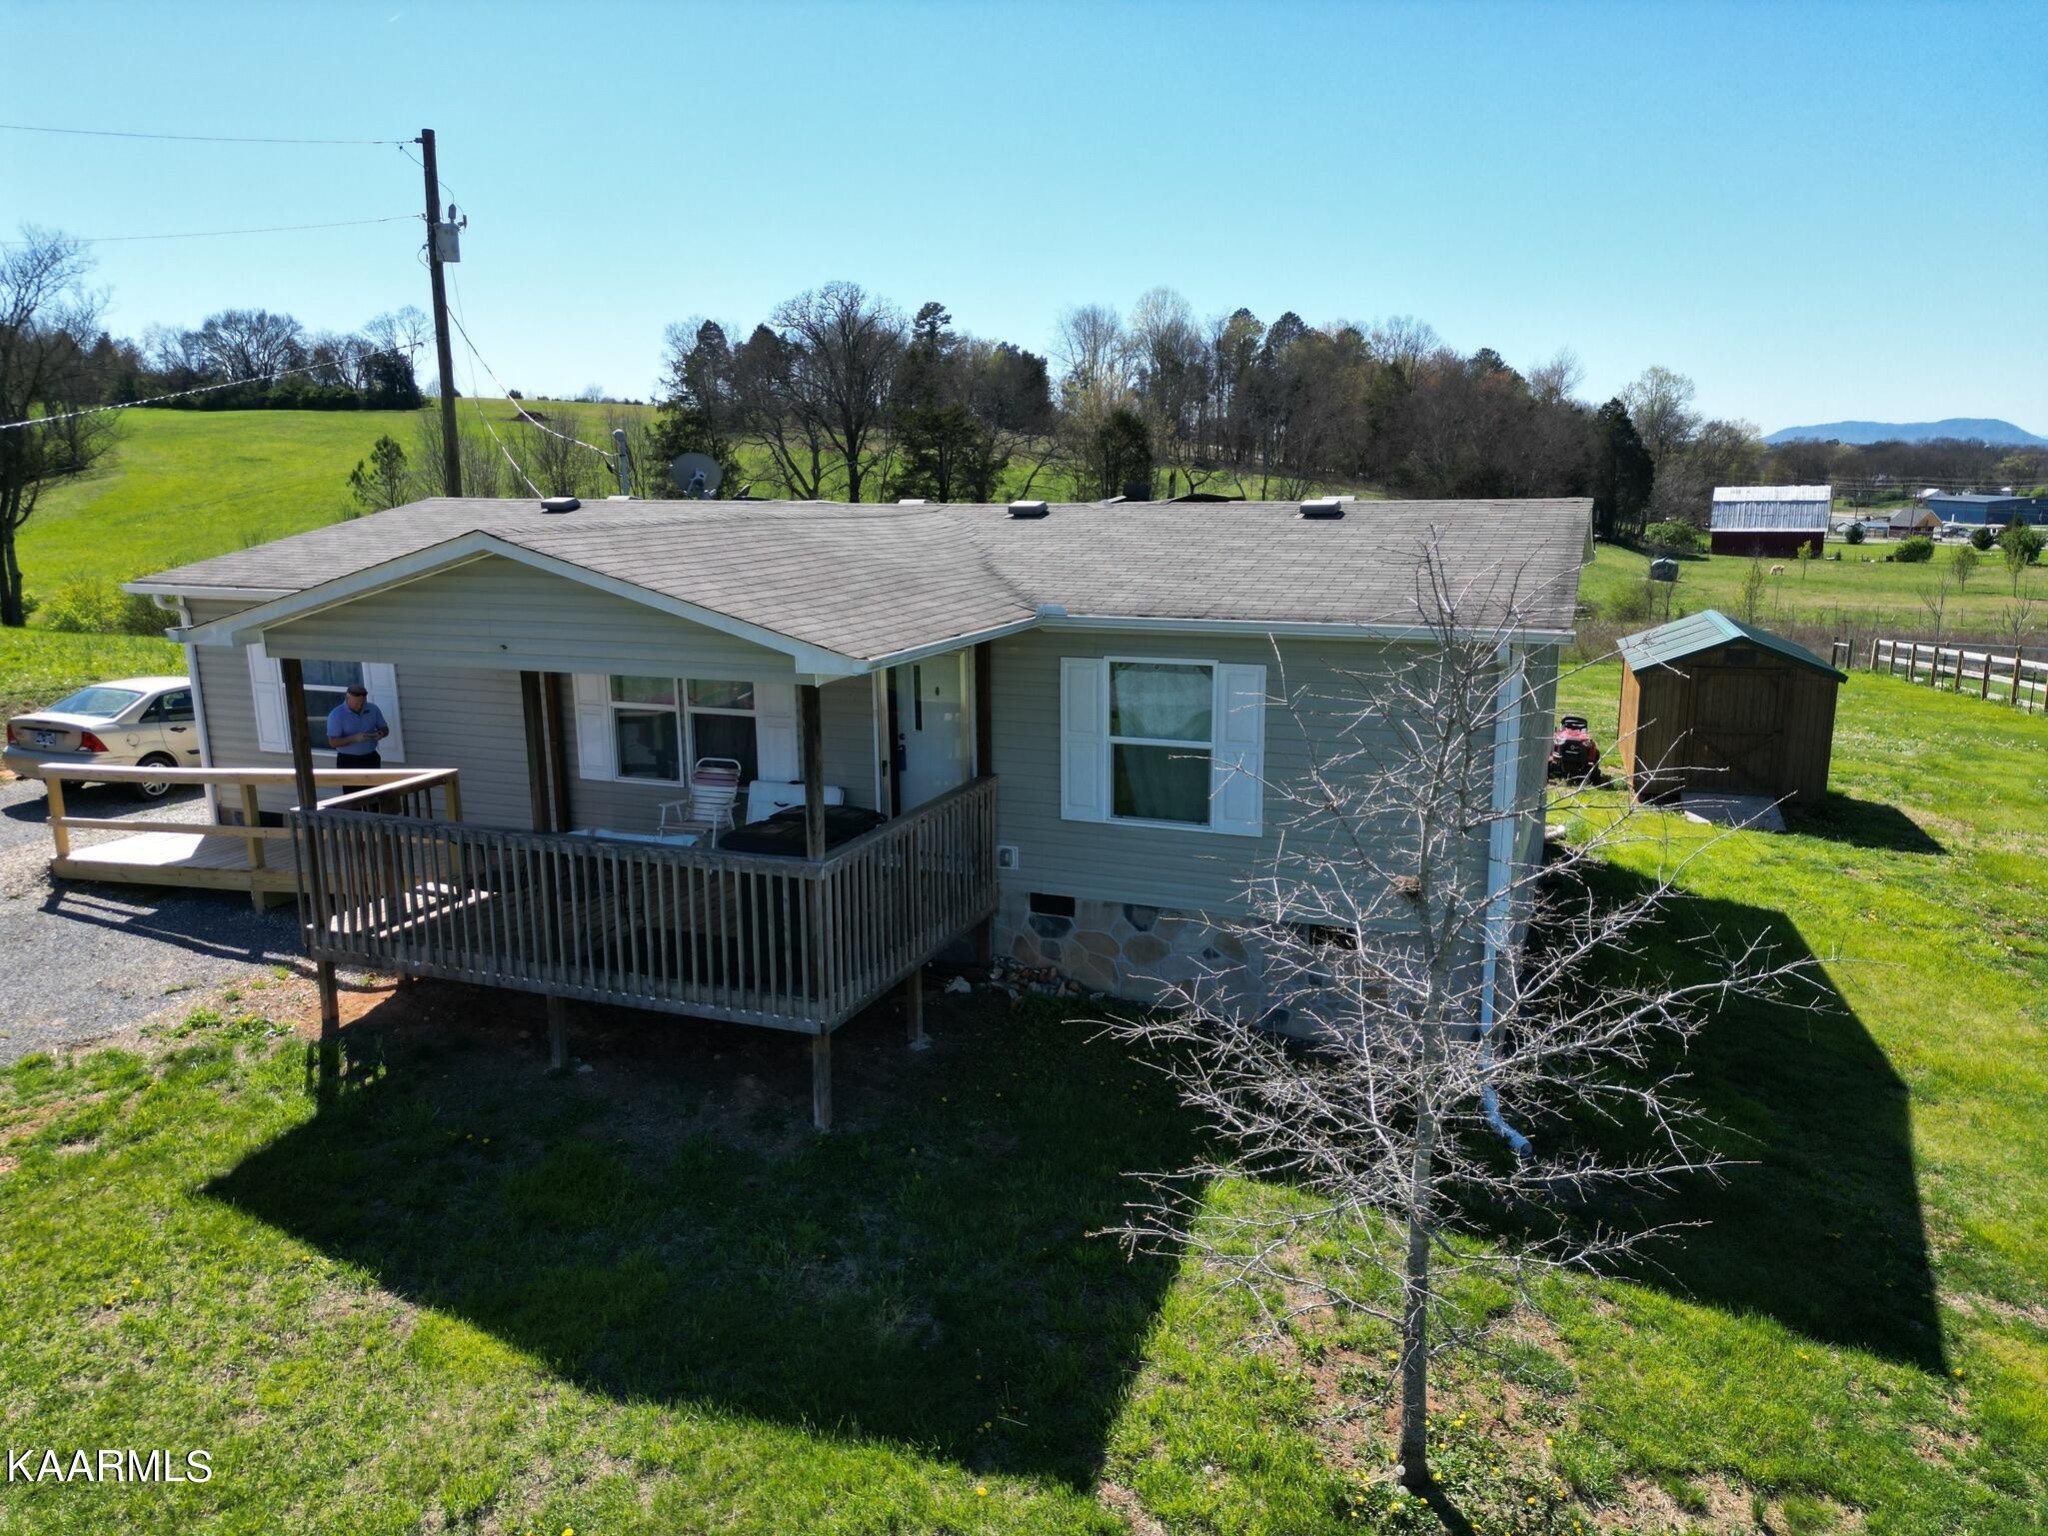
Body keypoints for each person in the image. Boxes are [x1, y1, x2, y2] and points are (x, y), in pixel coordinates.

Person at [326, 683, 390, 769]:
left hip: (371, 757)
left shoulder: (373, 709)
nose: (360, 706)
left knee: (375, 783)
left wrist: (381, 733)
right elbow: (333, 742)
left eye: (363, 703)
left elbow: (385, 728)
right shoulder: (336, 715)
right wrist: (354, 738)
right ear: (347, 698)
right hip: (348, 760)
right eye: (356, 703)